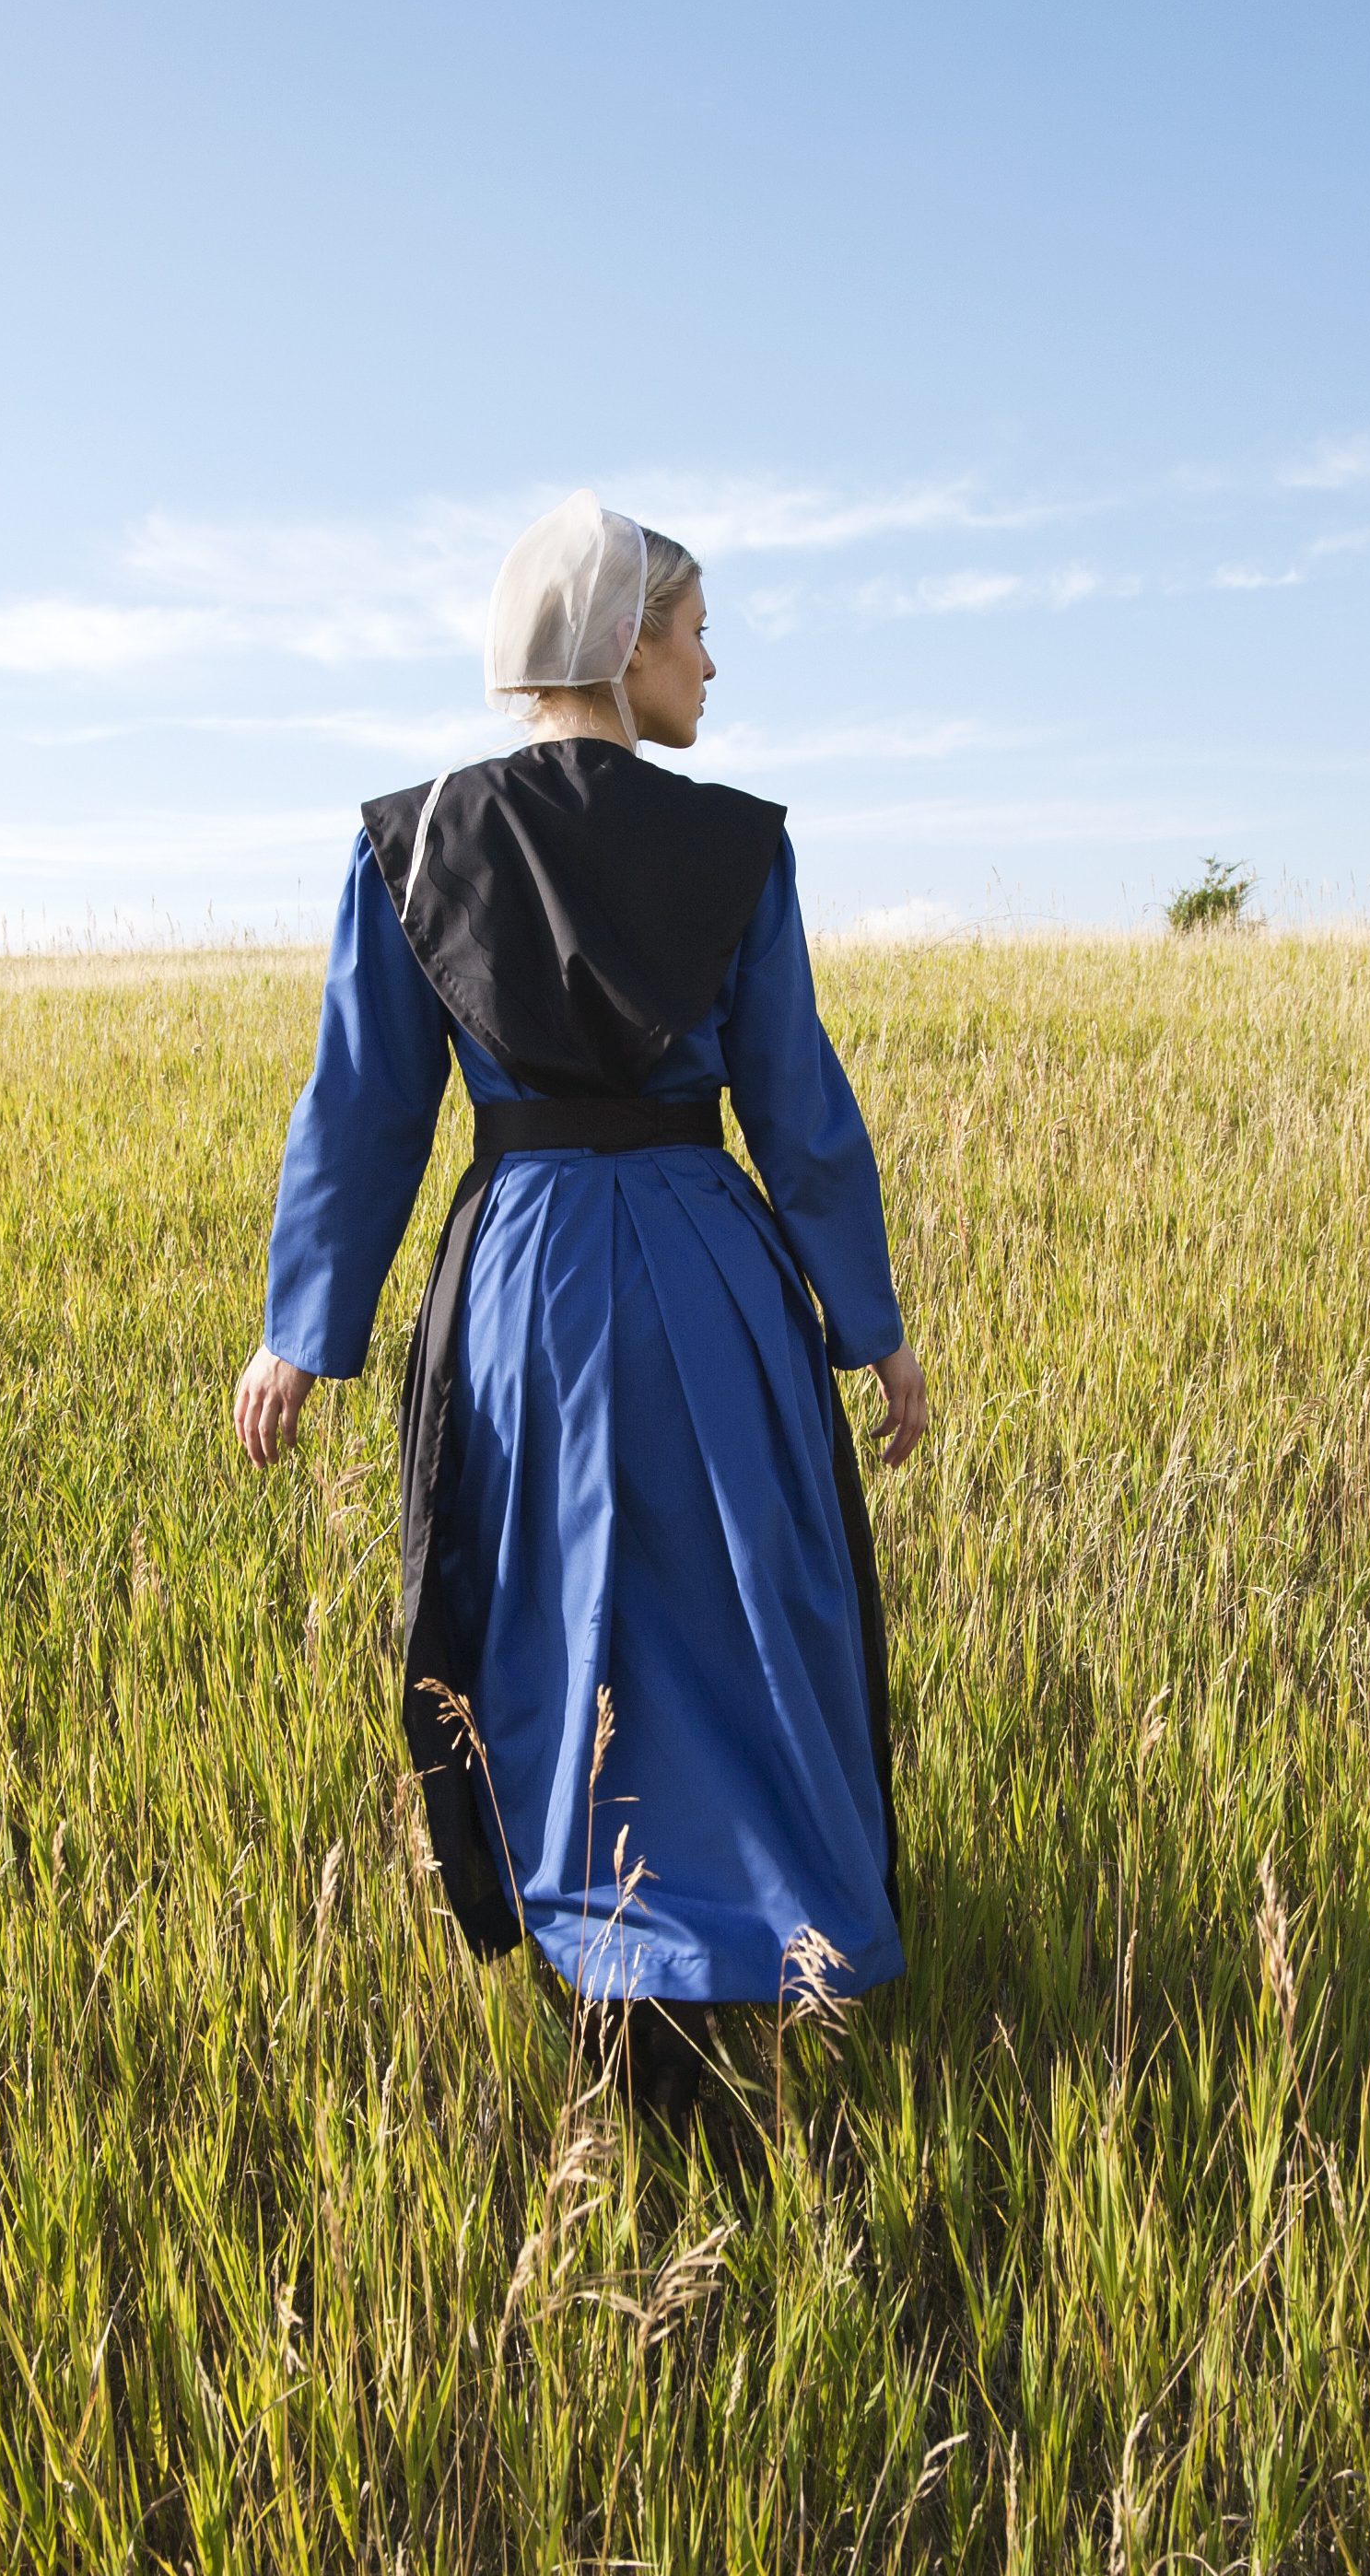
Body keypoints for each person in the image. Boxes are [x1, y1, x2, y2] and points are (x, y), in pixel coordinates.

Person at [231, 492, 931, 2119]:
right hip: (711, 1268)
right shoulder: (738, 845)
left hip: (525, 1288)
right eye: (694, 631)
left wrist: (304, 1331)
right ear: (623, 647)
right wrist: (869, 1321)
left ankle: (611, 1972)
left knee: (559, 1616)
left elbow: (364, 1108)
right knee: (745, 1620)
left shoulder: (412, 841)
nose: (712, 662)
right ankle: (758, 1952)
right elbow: (799, 1109)